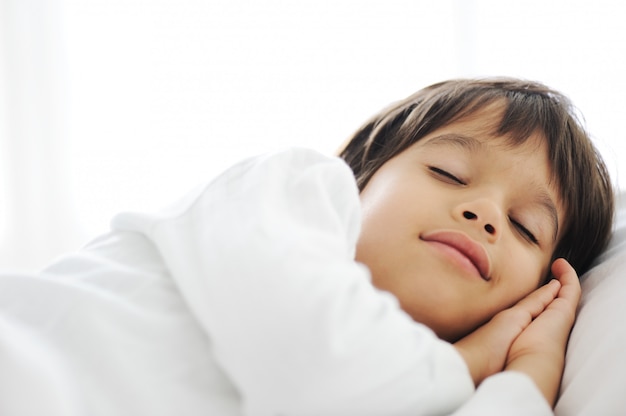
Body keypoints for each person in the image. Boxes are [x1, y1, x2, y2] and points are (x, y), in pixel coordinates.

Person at [0, 78, 614, 415]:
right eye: (449, 174)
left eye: (525, 228)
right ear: (363, 175)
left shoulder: (426, 389)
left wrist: (532, 368)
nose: (484, 214)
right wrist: (480, 358)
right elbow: (326, 369)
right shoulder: (291, 190)